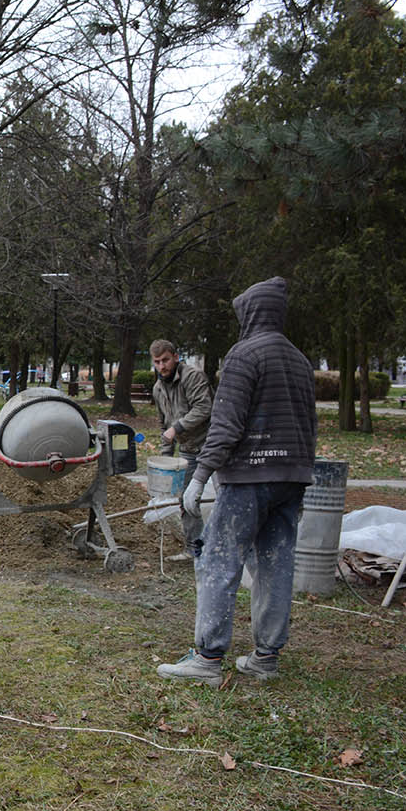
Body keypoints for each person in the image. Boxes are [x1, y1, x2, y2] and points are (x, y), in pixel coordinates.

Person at [158, 277, 317, 687]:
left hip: (249, 477)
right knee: (275, 566)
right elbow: (309, 425)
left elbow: (226, 426)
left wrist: (199, 477)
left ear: (249, 313)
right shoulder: (300, 360)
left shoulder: (244, 354)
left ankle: (207, 659)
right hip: (292, 477)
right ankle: (266, 657)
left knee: (217, 560)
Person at [150, 338, 213, 559]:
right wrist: (165, 461)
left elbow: (204, 408)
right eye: (157, 362)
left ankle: (226, 548)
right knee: (186, 500)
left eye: (165, 360)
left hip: (212, 445)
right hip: (188, 449)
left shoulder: (192, 376)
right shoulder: (158, 388)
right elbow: (162, 425)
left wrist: (176, 428)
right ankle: (195, 549)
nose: (161, 366)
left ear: (176, 357)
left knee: (224, 496)